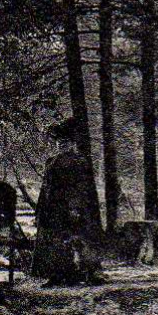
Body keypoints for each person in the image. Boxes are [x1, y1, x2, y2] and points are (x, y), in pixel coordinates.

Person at [30, 116, 103, 286]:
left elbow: (78, 188)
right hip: (51, 209)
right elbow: (45, 189)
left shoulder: (78, 162)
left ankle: (85, 273)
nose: (62, 144)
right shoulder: (51, 162)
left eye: (66, 141)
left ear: (72, 143)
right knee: (52, 241)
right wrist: (39, 211)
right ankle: (56, 275)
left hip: (68, 209)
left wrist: (75, 208)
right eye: (59, 141)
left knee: (75, 239)